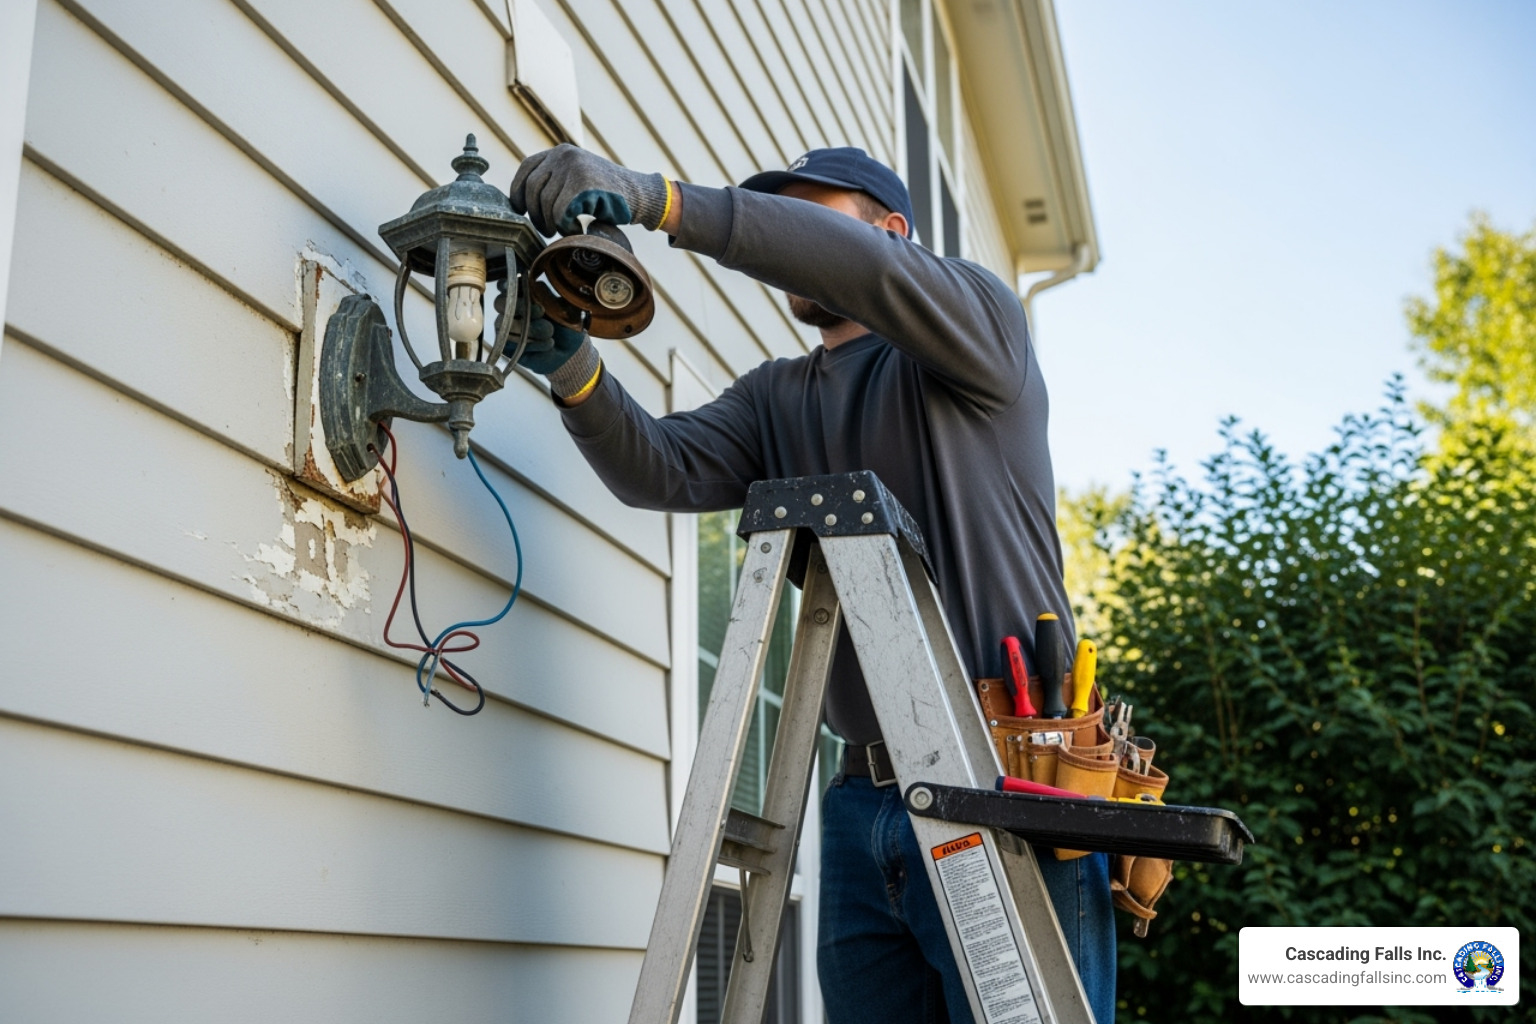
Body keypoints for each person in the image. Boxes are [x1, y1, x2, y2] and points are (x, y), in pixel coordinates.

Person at [506, 144, 1116, 1024]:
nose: (791, 231)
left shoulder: (981, 328)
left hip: (1006, 780)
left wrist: (662, 200)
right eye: (780, 212)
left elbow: (858, 267)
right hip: (861, 800)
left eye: (812, 212)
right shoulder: (775, 397)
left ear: (893, 232)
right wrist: (573, 372)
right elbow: (660, 469)